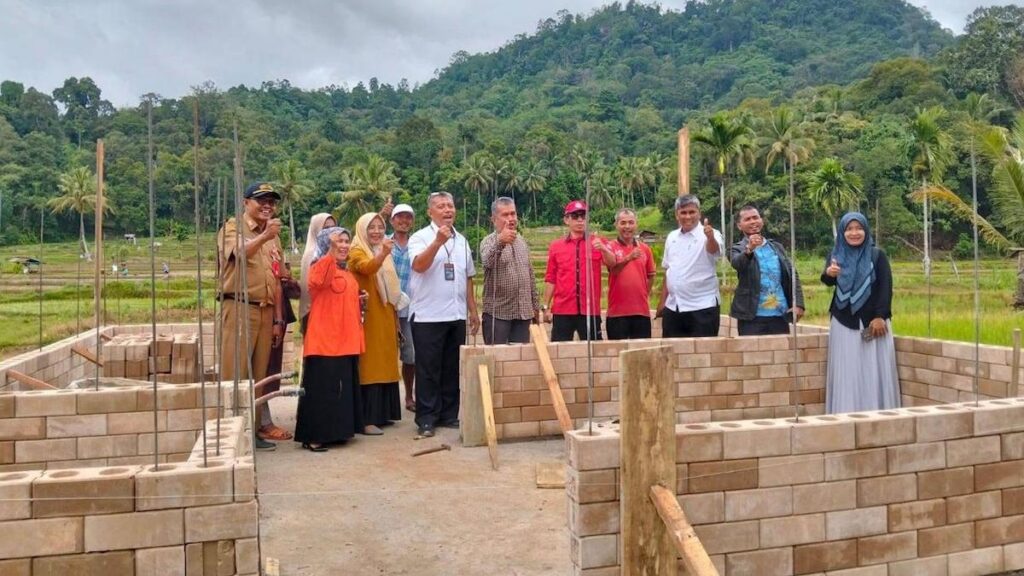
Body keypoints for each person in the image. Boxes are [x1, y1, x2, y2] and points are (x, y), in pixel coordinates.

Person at [217, 182, 286, 450]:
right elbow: (241, 254)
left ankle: (252, 430)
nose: (267, 205)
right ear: (246, 202)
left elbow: (277, 277)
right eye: (261, 200)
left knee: (259, 376)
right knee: (235, 372)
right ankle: (229, 432)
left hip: (266, 310)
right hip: (239, 307)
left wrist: (279, 318)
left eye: (272, 201)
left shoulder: (274, 235)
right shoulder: (233, 228)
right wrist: (265, 236)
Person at [408, 192, 480, 438]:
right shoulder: (420, 237)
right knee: (428, 369)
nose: (447, 210)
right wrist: (438, 242)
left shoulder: (461, 240)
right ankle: (427, 418)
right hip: (428, 315)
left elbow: (468, 277)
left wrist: (472, 310)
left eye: (450, 205)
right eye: (441, 206)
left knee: (451, 367)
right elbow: (418, 265)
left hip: (456, 314)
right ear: (430, 212)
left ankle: (449, 414)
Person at [294, 227, 364, 451]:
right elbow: (318, 284)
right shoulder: (320, 266)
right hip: (325, 341)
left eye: (345, 241)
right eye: (336, 241)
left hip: (345, 341)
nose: (343, 245)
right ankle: (314, 435)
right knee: (321, 390)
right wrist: (330, 255)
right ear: (326, 244)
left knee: (341, 390)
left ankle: (338, 431)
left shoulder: (347, 273)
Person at [822, 212, 899, 413]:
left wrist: (880, 316)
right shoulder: (835, 255)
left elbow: (885, 287)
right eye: (849, 229)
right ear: (842, 232)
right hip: (843, 320)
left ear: (866, 230)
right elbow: (828, 280)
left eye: (859, 228)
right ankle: (846, 411)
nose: (854, 233)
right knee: (848, 369)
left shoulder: (877, 255)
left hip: (873, 322)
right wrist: (828, 274)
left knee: (872, 368)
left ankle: (876, 411)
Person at [348, 212, 403, 435]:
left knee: (386, 360)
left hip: (385, 312)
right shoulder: (356, 250)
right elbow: (367, 268)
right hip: (366, 316)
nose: (377, 231)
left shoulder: (382, 251)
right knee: (369, 364)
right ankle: (366, 418)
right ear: (361, 230)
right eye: (371, 227)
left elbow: (391, 286)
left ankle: (383, 413)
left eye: (380, 227)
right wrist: (382, 254)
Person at [729, 205, 805, 336]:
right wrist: (750, 248)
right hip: (751, 316)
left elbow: (792, 275)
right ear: (739, 225)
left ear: (761, 221)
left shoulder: (776, 247)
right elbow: (738, 263)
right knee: (752, 355)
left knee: (780, 354)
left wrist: (798, 304)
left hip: (780, 314)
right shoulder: (736, 249)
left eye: (755, 217)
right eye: (747, 219)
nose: (753, 221)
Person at [656, 195, 724, 338]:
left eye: (692, 212)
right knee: (671, 354)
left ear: (699, 213)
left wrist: (710, 237)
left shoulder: (712, 234)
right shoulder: (672, 237)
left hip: (703, 307)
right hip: (674, 307)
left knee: (702, 356)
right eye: (683, 212)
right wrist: (662, 302)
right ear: (677, 215)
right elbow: (669, 270)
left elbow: (713, 250)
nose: (688, 217)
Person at [480, 197, 540, 344]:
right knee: (497, 359)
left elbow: (530, 275)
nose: (511, 218)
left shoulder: (522, 242)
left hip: (523, 314)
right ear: (494, 219)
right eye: (505, 215)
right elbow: (487, 262)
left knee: (519, 362)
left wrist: (535, 307)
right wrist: (500, 241)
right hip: (498, 314)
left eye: (513, 214)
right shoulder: (488, 241)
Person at [543, 200, 604, 342]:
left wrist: (605, 249)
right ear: (566, 219)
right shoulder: (556, 246)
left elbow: (612, 263)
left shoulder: (597, 243)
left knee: (594, 353)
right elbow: (551, 278)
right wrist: (545, 306)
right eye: (575, 216)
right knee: (560, 352)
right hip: (563, 310)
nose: (580, 220)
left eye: (583, 216)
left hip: (589, 310)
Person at [598, 208, 655, 340]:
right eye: (623, 223)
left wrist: (643, 293)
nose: (627, 226)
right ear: (616, 225)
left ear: (636, 224)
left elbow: (651, 275)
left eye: (631, 222)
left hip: (641, 312)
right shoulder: (609, 247)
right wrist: (628, 258)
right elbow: (613, 270)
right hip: (617, 313)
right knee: (618, 355)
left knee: (642, 355)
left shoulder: (645, 249)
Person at [389, 203, 417, 412]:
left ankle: (409, 396)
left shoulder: (417, 244)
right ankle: (387, 401)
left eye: (408, 218)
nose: (404, 221)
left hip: (410, 310)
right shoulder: (384, 243)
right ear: (392, 220)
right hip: (387, 309)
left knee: (411, 356)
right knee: (386, 355)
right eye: (400, 217)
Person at [299, 212, 336, 334]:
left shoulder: (338, 253)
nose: (330, 232)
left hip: (333, 309)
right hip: (315, 311)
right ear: (316, 230)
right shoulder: (312, 255)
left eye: (333, 227)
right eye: (326, 228)